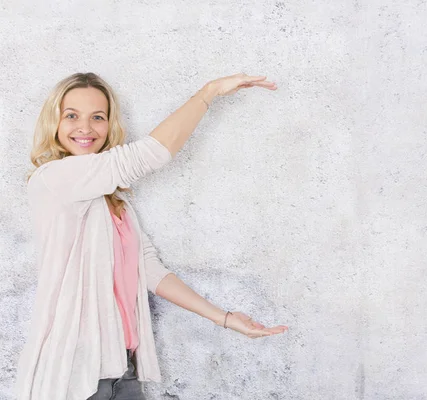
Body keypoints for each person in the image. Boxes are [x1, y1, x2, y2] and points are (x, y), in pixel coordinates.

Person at [15, 72, 289, 400]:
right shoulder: (52, 179)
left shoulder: (114, 203)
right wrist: (209, 92)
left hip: (122, 369)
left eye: (97, 117)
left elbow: (150, 271)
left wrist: (226, 319)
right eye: (71, 115)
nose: (85, 128)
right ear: (53, 123)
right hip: (75, 373)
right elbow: (147, 155)